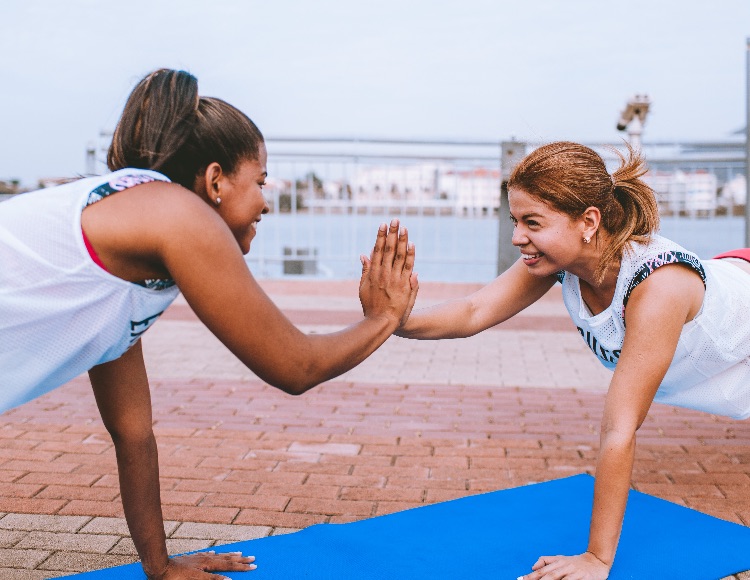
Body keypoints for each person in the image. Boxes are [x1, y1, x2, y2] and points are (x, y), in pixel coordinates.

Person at [0, 69, 418, 580]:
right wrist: (384, 317)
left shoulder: (131, 244)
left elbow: (133, 431)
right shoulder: (174, 214)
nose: (266, 201)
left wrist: (160, 566)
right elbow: (295, 366)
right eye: (260, 181)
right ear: (216, 180)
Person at [394, 141, 750, 580]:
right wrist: (394, 319)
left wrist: (597, 559)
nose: (517, 237)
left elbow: (620, 428)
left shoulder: (657, 287)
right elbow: (474, 311)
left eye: (532, 222)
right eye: (515, 220)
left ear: (588, 222)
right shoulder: (561, 261)